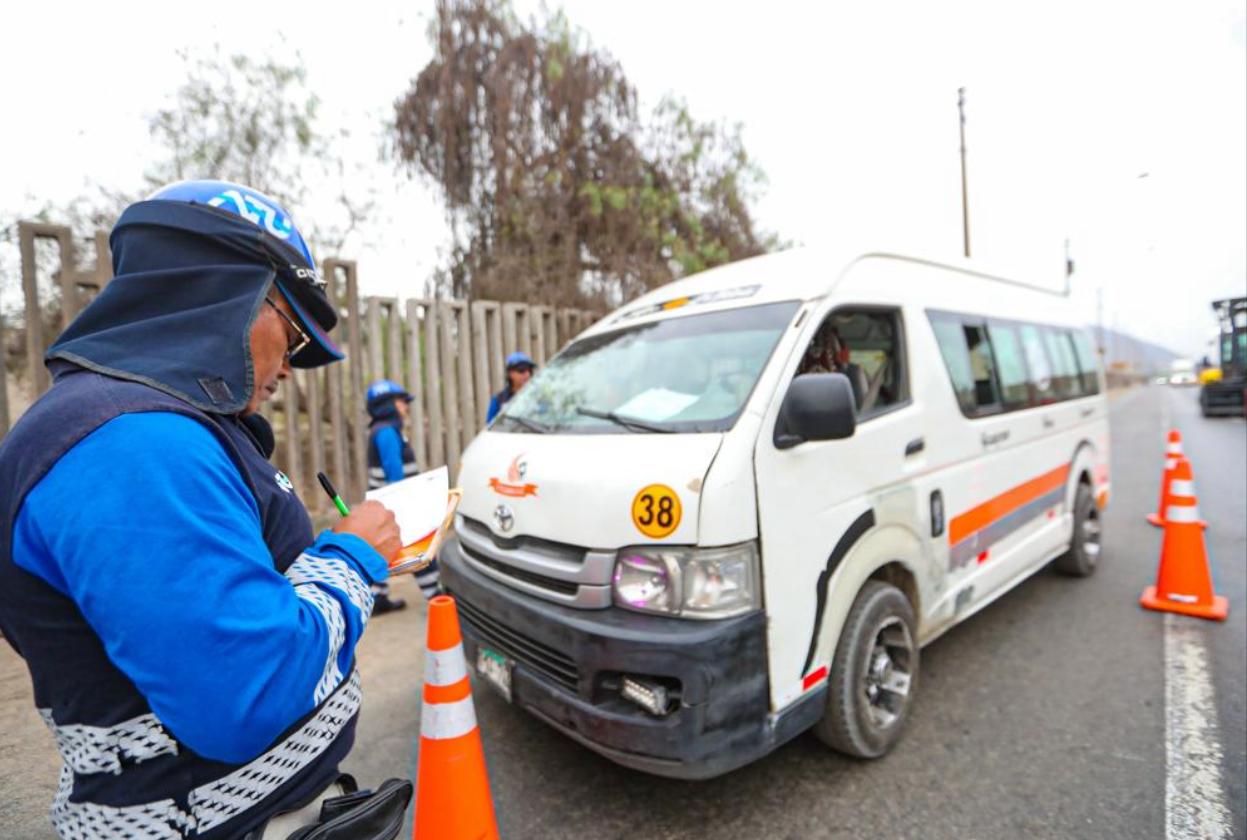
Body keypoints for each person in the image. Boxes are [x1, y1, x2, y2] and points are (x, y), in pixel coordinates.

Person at [0, 180, 407, 839]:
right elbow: (243, 694)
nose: (292, 367)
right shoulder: (132, 444)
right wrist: (353, 557)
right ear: (228, 293)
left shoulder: (150, 426)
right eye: (294, 332)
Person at [365, 379, 439, 607]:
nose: (406, 407)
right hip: (396, 502)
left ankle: (377, 597)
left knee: (381, 551)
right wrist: (406, 504)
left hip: (383, 503)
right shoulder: (387, 432)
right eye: (402, 401)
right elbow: (394, 472)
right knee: (419, 550)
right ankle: (437, 596)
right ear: (388, 404)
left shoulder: (385, 430)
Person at [485, 350, 536, 423]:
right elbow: (490, 427)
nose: (527, 374)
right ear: (510, 373)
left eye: (529, 370)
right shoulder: (498, 400)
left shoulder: (537, 397)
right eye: (521, 370)